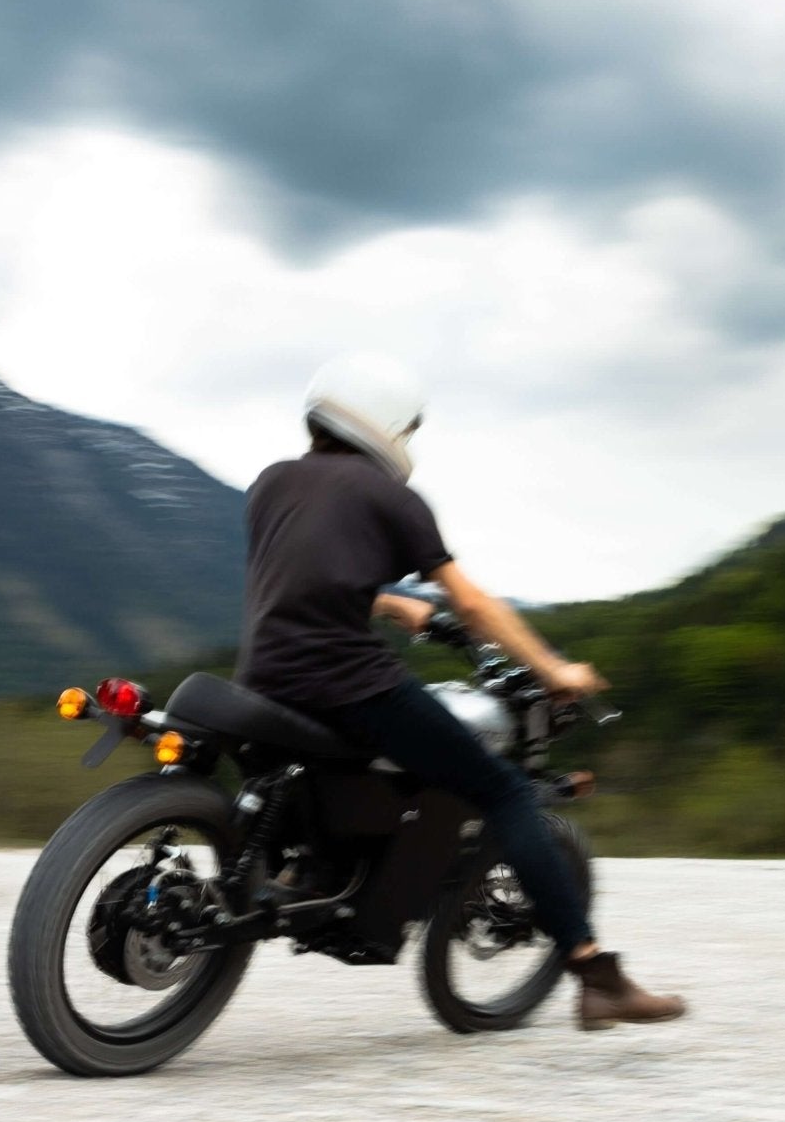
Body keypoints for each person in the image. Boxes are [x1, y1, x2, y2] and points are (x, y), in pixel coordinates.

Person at [235, 352, 685, 1032]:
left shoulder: (272, 483)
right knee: (504, 791)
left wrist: (389, 603)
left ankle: (312, 876)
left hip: (264, 676)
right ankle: (594, 974)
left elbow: (303, 579)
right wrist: (553, 667)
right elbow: (472, 602)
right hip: (348, 685)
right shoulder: (393, 497)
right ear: (388, 423)